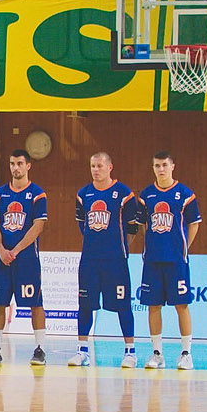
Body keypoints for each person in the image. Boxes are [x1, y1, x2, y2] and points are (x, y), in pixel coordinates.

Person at [0, 149, 52, 366]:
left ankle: (40, 349)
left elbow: (38, 226)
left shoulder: (37, 194)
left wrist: (16, 250)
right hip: (2, 258)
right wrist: (1, 250)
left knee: (35, 303)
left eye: (20, 163)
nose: (15, 168)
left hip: (26, 258)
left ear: (28, 165)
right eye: (12, 163)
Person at [70, 151, 141, 369]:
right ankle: (82, 351)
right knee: (85, 305)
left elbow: (132, 227)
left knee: (122, 306)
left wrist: (118, 246)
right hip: (90, 260)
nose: (95, 170)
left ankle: (130, 352)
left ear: (110, 167)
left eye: (100, 166)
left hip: (116, 260)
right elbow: (82, 225)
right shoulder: (83, 194)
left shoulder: (124, 194)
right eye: (93, 166)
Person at [138, 152, 201, 370]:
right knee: (153, 306)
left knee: (181, 305)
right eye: (157, 165)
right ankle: (157, 354)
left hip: (176, 261)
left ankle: (186, 354)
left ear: (173, 166)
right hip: (153, 260)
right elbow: (143, 225)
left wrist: (183, 248)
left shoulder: (185, 194)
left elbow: (194, 224)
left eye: (165, 165)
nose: (161, 169)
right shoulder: (145, 195)